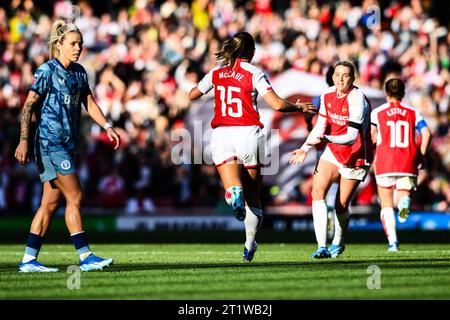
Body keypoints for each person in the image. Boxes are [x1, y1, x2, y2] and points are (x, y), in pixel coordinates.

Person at [188, 32, 316, 262]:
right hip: (249, 133)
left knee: (232, 186)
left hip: (223, 133)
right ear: (252, 52)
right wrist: (299, 107)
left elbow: (192, 95)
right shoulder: (255, 73)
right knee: (253, 198)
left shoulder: (216, 72)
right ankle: (249, 244)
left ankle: (231, 193)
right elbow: (276, 104)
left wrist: (209, 85)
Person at [14, 20, 120, 272]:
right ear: (59, 44)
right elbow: (28, 106)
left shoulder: (80, 72)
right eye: (72, 43)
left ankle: (29, 260)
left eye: (80, 44)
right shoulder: (47, 71)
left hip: (68, 144)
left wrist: (107, 126)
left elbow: (89, 103)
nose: (77, 48)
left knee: (49, 204)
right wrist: (24, 140)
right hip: (50, 144)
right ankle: (86, 257)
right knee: (75, 195)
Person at [290, 60, 373, 259]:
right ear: (333, 76)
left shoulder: (358, 99)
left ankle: (339, 240)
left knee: (341, 205)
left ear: (353, 79)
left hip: (356, 154)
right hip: (333, 151)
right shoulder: (326, 95)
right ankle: (321, 246)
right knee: (317, 191)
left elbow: (351, 137)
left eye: (346, 75)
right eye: (337, 75)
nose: (341, 79)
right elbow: (320, 127)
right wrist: (304, 149)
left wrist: (328, 138)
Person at [371, 78, 431, 252]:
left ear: (386, 93)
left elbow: (372, 136)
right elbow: (426, 133)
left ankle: (393, 243)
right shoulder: (413, 112)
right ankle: (405, 201)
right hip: (407, 159)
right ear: (403, 93)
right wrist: (421, 154)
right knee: (404, 193)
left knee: (386, 204)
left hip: (385, 160)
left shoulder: (378, 112)